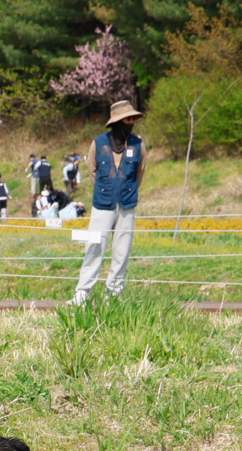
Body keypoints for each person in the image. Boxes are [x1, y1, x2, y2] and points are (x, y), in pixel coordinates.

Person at [71, 100, 146, 305]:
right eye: (127, 119)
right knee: (94, 246)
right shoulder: (98, 143)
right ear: (117, 121)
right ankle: (83, 292)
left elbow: (140, 172)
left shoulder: (138, 144)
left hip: (127, 204)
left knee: (122, 250)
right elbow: (92, 170)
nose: (131, 122)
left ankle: (114, 293)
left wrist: (126, 190)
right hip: (102, 203)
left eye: (133, 119)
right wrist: (107, 190)